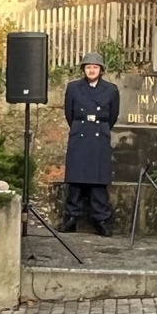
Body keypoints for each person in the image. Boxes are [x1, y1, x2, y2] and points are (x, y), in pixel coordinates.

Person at [59, 52, 120, 235]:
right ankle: (71, 218)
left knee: (98, 181)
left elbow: (112, 116)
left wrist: (99, 128)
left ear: (101, 70)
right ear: (83, 69)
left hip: (99, 136)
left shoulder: (111, 89)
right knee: (75, 181)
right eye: (88, 67)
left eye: (95, 67)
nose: (91, 70)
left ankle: (102, 220)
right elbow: (69, 113)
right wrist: (80, 127)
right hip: (80, 134)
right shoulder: (73, 88)